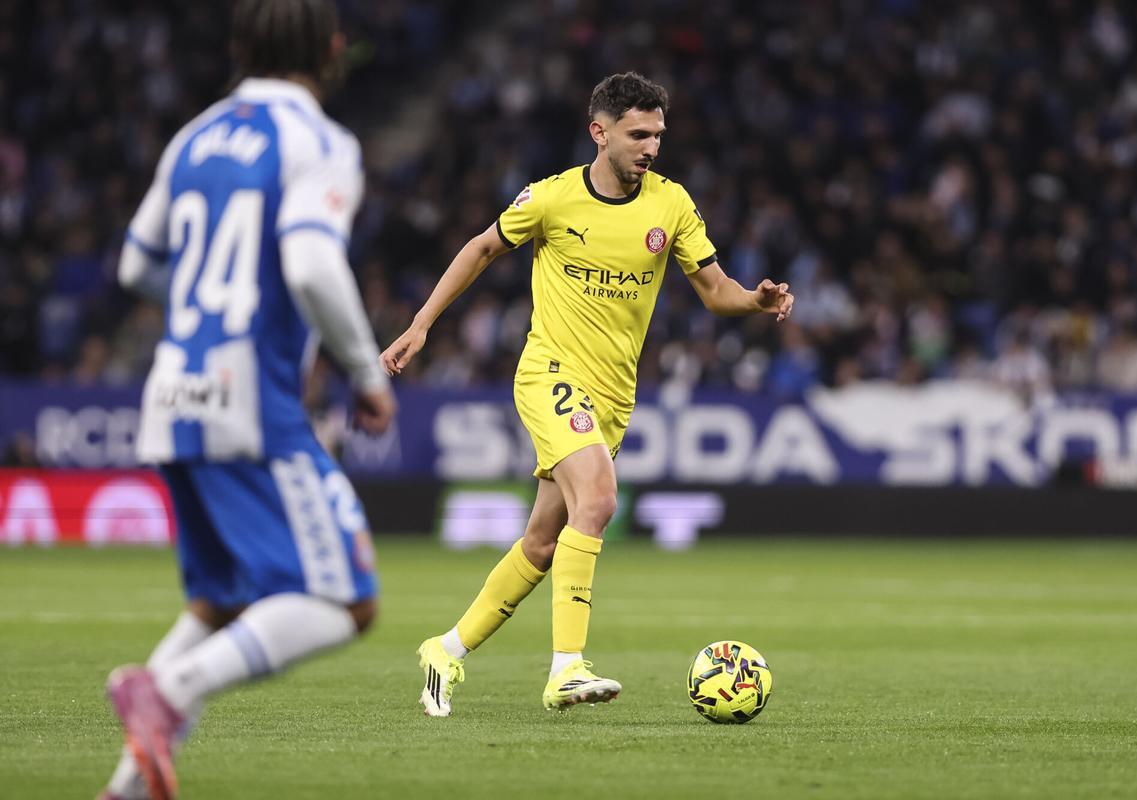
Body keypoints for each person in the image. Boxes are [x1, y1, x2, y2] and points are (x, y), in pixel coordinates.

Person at [379, 71, 793, 716]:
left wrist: (754, 300)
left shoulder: (671, 205)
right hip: (549, 373)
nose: (650, 146)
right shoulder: (549, 199)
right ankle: (566, 670)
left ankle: (445, 650)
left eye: (658, 134)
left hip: (612, 398)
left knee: (543, 543)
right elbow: (482, 248)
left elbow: (716, 291)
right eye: (637, 134)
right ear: (599, 132)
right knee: (597, 501)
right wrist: (422, 323)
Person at [100, 2, 394, 798]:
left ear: (242, 47)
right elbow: (308, 265)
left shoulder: (193, 136)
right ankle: (167, 691)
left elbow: (136, 265)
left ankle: (125, 788)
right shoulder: (320, 142)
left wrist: (206, 317)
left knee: (221, 602)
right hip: (252, 402)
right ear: (333, 49)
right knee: (345, 600)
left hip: (174, 391)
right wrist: (364, 372)